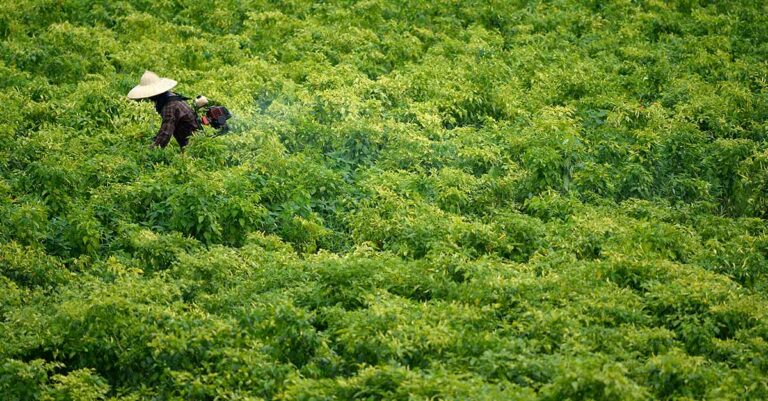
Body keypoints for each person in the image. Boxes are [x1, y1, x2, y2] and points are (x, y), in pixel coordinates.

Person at [126, 71, 200, 149]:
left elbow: (166, 132)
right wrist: (155, 139)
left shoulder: (170, 105)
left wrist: (152, 150)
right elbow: (164, 129)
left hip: (195, 143)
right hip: (190, 140)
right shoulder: (167, 98)